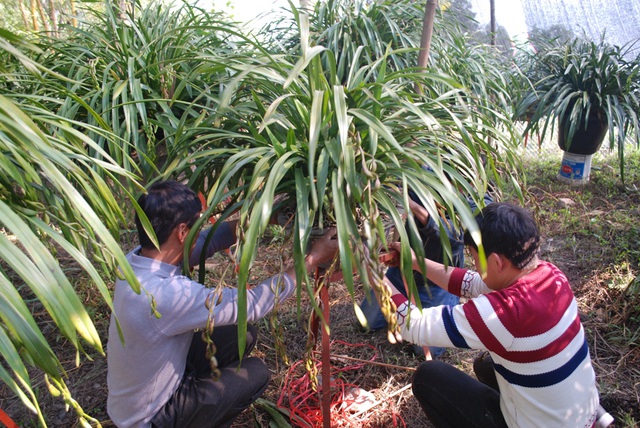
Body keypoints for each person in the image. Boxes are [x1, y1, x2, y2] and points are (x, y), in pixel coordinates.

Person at [106, 180, 338, 428]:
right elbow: (250, 305)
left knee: (242, 334)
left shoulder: (139, 259)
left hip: (148, 387)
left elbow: (209, 240)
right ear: (182, 233)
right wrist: (312, 259)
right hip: (150, 417)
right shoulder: (164, 295)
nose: (201, 230)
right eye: (197, 223)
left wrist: (263, 218)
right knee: (255, 373)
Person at [385, 202, 601, 427]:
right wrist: (415, 263)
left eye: (474, 257)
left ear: (497, 262)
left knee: (429, 377)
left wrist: (374, 275)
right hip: (582, 416)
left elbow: (414, 327)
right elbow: (469, 283)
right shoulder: (551, 276)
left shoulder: (504, 314)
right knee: (485, 365)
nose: (474, 265)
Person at [359, 189, 492, 358]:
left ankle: (414, 310)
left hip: (438, 282)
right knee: (367, 322)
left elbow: (458, 234)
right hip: (402, 272)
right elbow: (397, 187)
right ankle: (405, 306)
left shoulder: (477, 192)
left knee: (425, 350)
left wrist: (414, 207)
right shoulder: (423, 174)